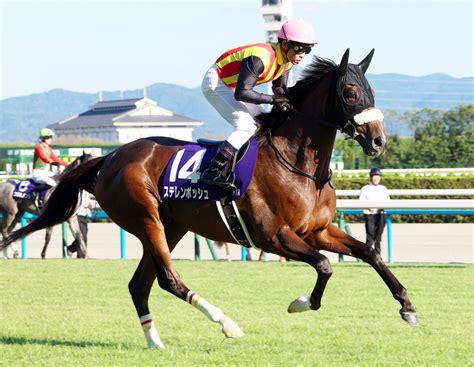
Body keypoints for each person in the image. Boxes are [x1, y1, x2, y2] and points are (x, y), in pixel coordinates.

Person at [200, 18, 317, 191]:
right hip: (216, 82)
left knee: (264, 122)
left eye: (308, 49)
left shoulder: (287, 62)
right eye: (300, 48)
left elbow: (280, 91)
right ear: (285, 45)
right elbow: (243, 93)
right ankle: (213, 169)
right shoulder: (260, 57)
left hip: (234, 85)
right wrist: (273, 100)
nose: (303, 54)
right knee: (245, 126)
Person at [359, 168, 390, 255]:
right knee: (370, 237)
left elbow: (388, 202)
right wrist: (369, 207)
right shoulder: (365, 188)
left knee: (378, 237)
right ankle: (366, 256)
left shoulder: (383, 189)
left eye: (378, 176)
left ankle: (378, 256)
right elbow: (361, 202)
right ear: (371, 177)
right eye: (374, 176)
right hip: (370, 214)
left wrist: (381, 207)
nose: (376, 178)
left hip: (381, 214)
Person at [67, 190, 96, 258]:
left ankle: (72, 249)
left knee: (84, 236)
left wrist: (91, 204)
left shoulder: (86, 191)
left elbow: (87, 200)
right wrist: (88, 204)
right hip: (77, 215)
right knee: (83, 236)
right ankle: (81, 255)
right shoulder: (77, 191)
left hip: (84, 215)